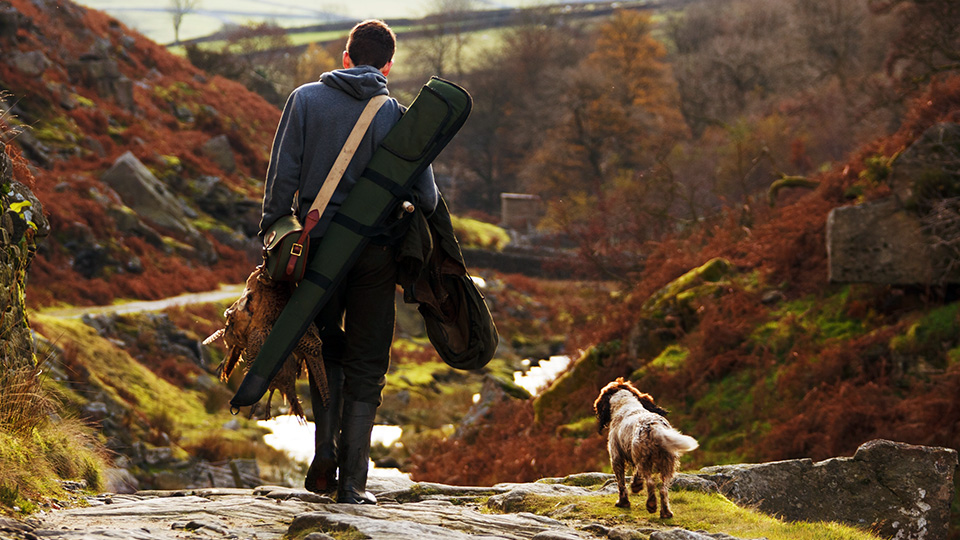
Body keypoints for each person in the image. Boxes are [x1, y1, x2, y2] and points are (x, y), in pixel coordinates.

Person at [259, 19, 438, 505]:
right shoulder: (397, 116)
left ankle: (322, 460)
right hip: (375, 255)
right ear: (387, 66)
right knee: (367, 360)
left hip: (315, 251)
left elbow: (281, 182)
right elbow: (426, 195)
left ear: (344, 57)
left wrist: (276, 239)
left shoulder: (303, 100)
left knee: (322, 352)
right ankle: (353, 484)